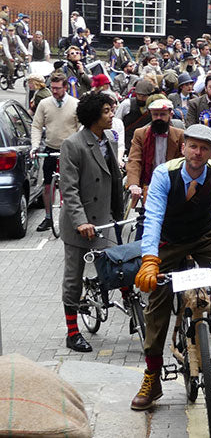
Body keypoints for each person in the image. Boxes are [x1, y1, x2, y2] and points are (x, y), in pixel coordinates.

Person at [130, 124, 211, 411]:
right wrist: (149, 260)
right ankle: (152, 376)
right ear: (183, 147)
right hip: (168, 240)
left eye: (204, 148)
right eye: (193, 146)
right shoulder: (164, 174)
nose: (197, 153)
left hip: (203, 236)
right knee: (157, 303)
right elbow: (153, 218)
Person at [58, 92, 122, 353]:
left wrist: (118, 215)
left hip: (104, 220)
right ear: (94, 115)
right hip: (79, 225)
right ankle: (72, 333)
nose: (111, 115)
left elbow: (114, 178)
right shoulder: (72, 145)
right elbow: (69, 190)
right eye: (107, 111)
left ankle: (135, 316)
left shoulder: (109, 138)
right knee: (73, 280)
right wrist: (81, 222)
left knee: (119, 266)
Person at [30, 72, 79, 231]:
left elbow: (80, 128)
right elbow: (37, 126)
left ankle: (73, 217)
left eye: (58, 88)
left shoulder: (75, 104)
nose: (55, 91)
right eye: (52, 88)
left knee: (72, 185)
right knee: (47, 185)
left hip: (70, 150)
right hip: (51, 148)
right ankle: (48, 217)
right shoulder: (44, 104)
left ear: (66, 87)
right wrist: (35, 146)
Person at [126, 97, 185, 210]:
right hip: (148, 186)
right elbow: (134, 160)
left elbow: (183, 162)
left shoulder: (180, 135)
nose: (158, 118)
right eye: (155, 115)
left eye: (162, 114)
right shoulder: (140, 134)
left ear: (170, 115)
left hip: (172, 186)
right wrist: (134, 184)